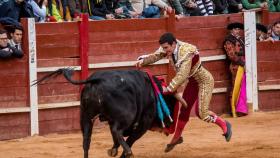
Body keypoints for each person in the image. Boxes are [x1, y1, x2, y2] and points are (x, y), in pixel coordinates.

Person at [136, 32, 232, 152]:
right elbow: (156, 56)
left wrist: (169, 88)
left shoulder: (187, 52)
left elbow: (182, 75)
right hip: (192, 82)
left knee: (201, 113)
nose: (165, 51)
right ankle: (177, 137)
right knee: (184, 111)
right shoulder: (169, 48)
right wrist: (143, 62)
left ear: (174, 44)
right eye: (164, 48)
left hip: (204, 81)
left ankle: (224, 124)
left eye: (167, 48)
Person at [223, 22, 247, 117]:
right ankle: (235, 110)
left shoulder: (240, 39)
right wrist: (243, 63)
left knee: (242, 86)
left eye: (239, 29)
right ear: (231, 30)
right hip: (236, 65)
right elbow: (231, 55)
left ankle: (241, 108)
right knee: (236, 86)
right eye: (236, 29)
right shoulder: (228, 40)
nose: (238, 31)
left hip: (242, 63)